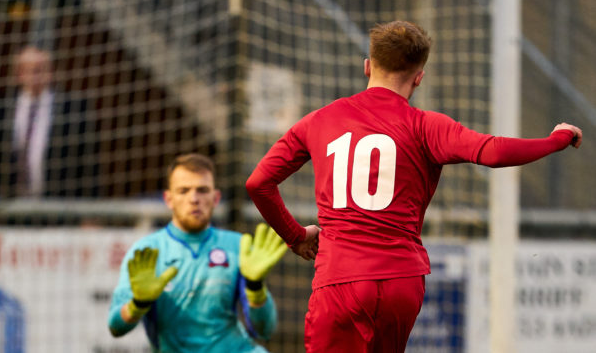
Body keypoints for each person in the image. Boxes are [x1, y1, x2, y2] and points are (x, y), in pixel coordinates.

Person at [245, 20, 583, 353]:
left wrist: (295, 236)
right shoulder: (427, 126)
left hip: (341, 278)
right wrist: (556, 139)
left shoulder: (320, 120)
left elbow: (259, 183)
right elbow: (492, 151)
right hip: (401, 283)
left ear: (368, 66)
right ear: (419, 78)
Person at [108, 153, 287, 352]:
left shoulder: (237, 246)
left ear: (215, 197)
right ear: (168, 199)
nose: (194, 199)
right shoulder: (146, 252)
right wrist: (138, 304)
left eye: (202, 190)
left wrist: (256, 287)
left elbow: (265, 330)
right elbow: (116, 327)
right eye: (184, 191)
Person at [0, 45, 96, 197]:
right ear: (18, 74)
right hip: (9, 205)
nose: (35, 75)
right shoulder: (0, 110)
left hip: (58, 204)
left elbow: (88, 162)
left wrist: (90, 213)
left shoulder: (71, 108)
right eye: (29, 70)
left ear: (50, 71)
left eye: (40, 69)